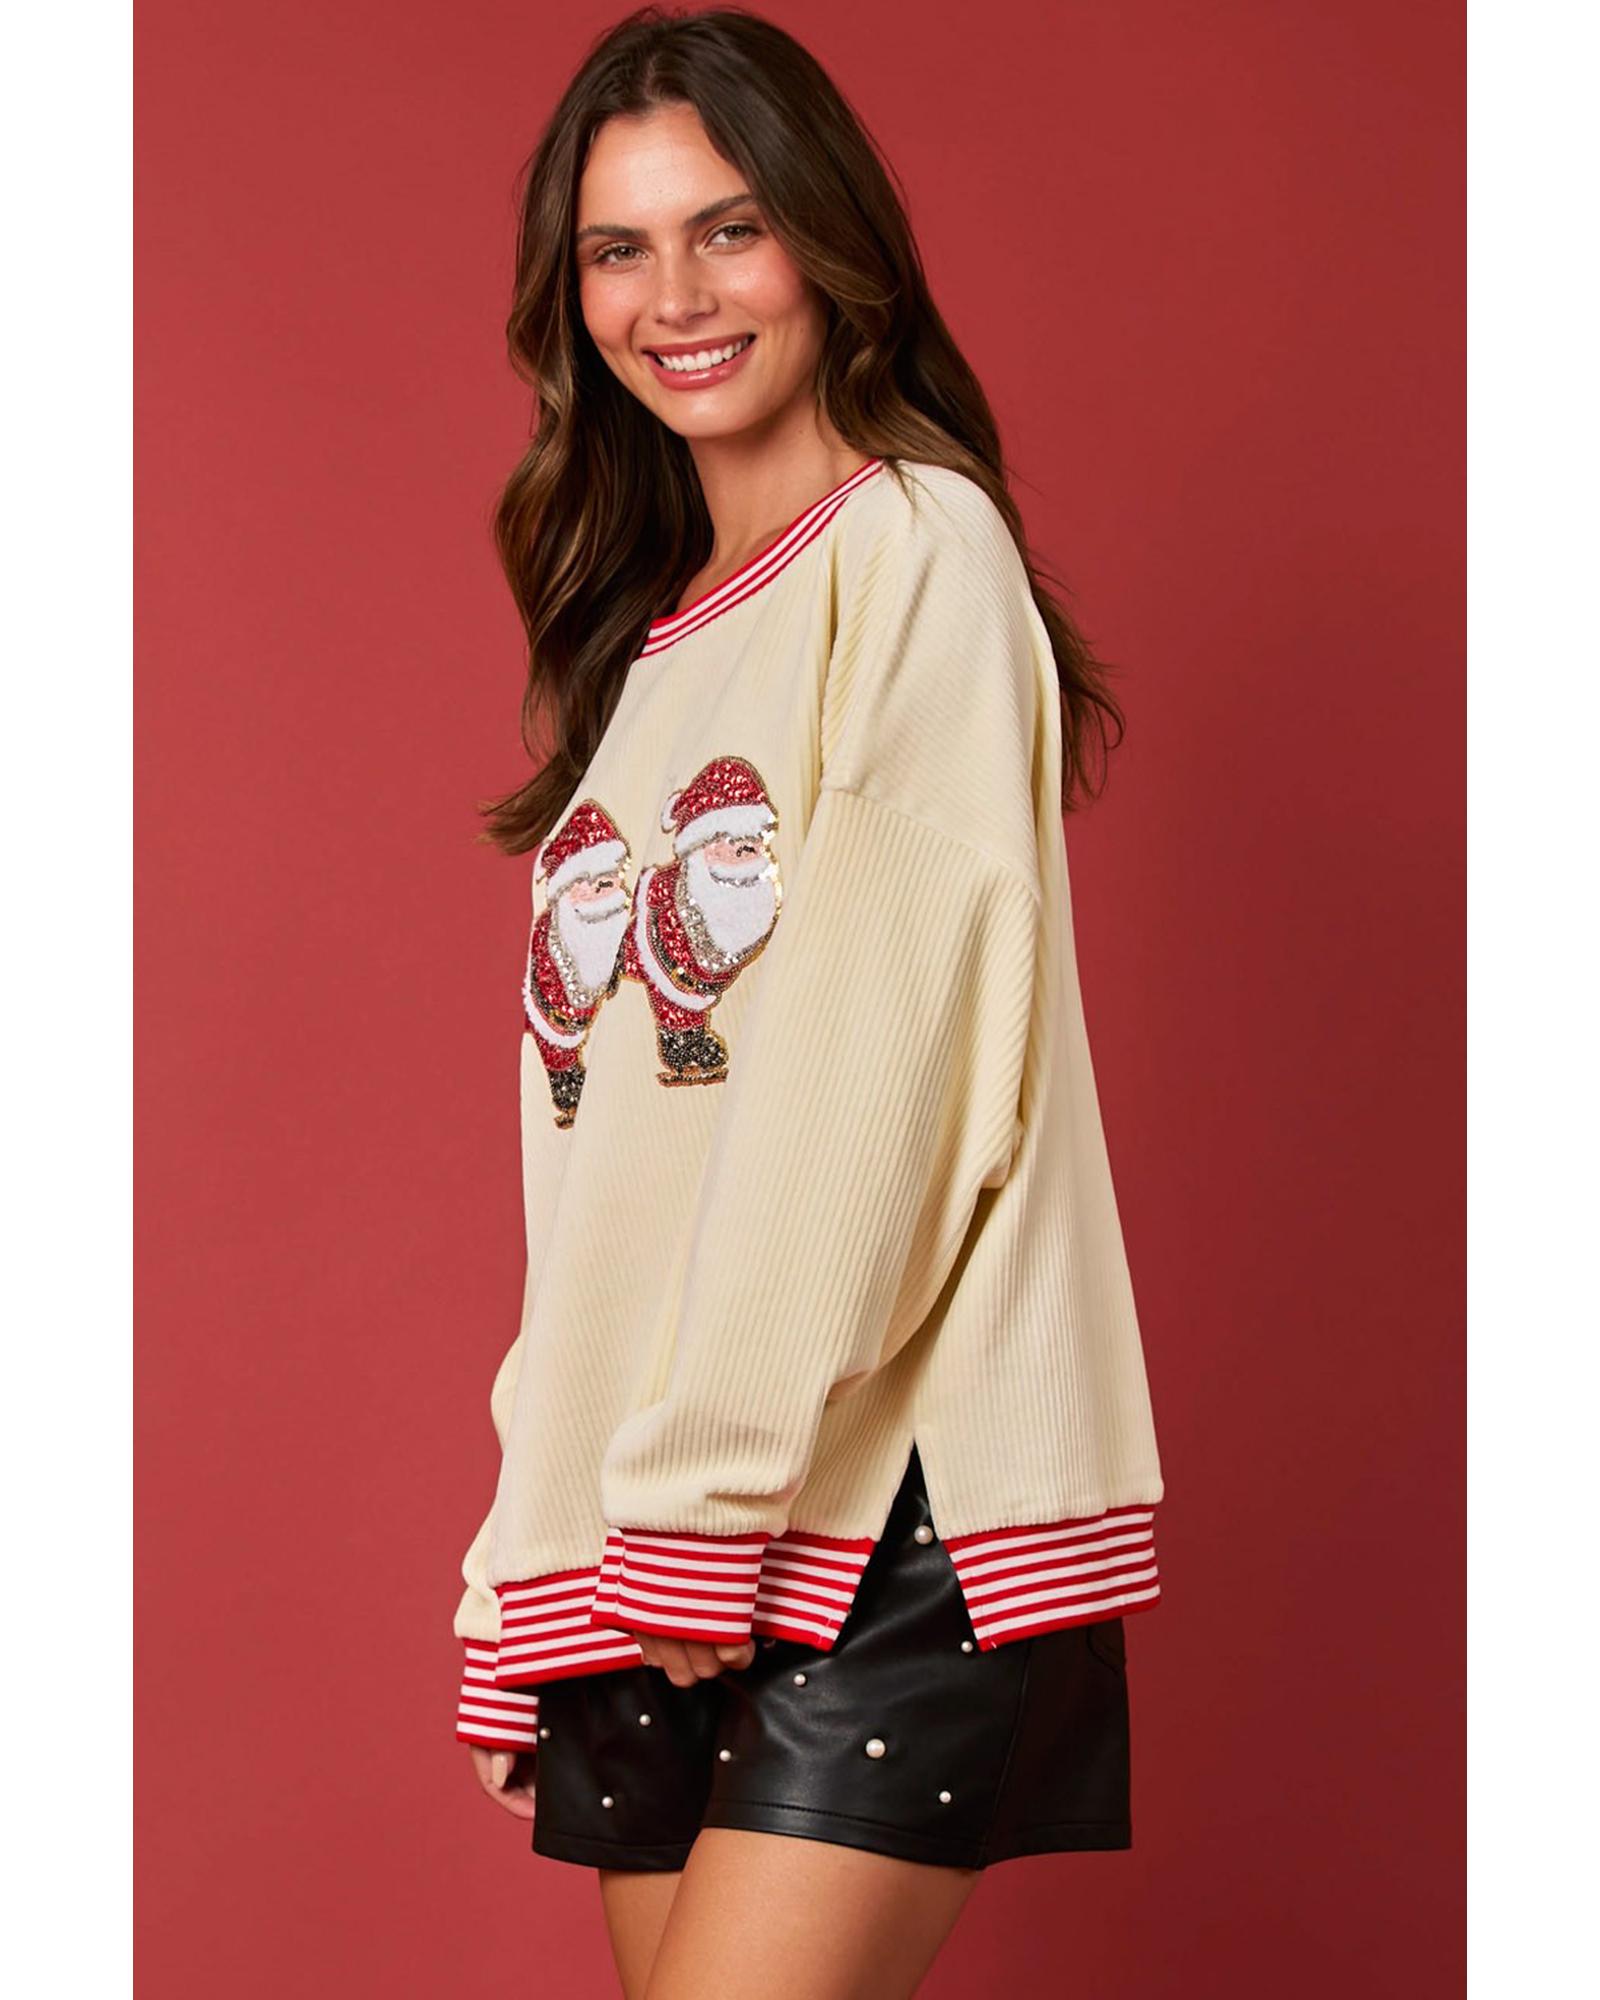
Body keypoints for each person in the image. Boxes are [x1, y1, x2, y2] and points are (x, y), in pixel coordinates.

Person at [451, 8, 1166, 1996]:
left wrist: (698, 1494)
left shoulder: (916, 552)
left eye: (728, 228)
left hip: (871, 1499)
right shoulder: (650, 662)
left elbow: (881, 1076)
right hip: (657, 1526)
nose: (672, 297)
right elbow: (609, 1180)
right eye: (618, 249)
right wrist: (526, 1559)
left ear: (829, 243)